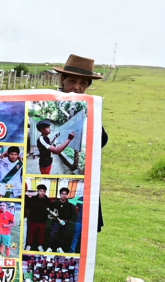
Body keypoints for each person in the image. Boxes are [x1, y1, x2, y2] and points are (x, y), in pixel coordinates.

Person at [54, 54, 108, 233]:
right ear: (63, 80)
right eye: (72, 81)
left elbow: (101, 140)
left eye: (83, 83)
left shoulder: (89, 108)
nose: (77, 87)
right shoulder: (49, 101)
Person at [46, 187, 76, 253]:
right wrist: (52, 217)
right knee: (53, 235)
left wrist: (67, 220)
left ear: (67, 195)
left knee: (62, 236)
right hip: (55, 223)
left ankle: (59, 248)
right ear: (60, 194)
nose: (64, 195)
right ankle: (50, 248)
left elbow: (71, 214)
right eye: (62, 194)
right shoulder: (54, 203)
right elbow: (49, 211)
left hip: (64, 223)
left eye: (65, 194)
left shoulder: (70, 205)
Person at [25, 184, 51, 251]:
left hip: (42, 221)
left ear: (45, 192)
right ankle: (29, 245)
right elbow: (28, 206)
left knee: (41, 234)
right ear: (38, 191)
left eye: (43, 191)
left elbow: (49, 210)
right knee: (31, 233)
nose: (42, 192)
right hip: (33, 220)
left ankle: (40, 245)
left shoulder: (48, 201)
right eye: (40, 191)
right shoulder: (33, 199)